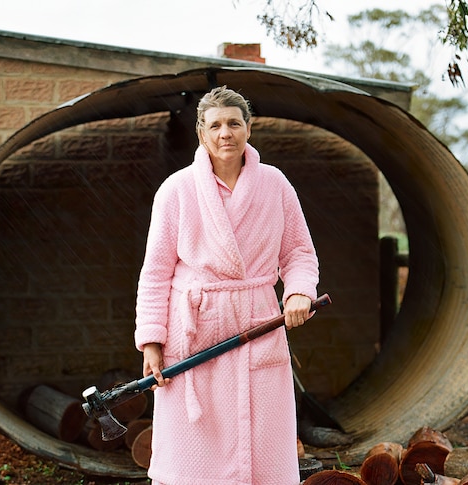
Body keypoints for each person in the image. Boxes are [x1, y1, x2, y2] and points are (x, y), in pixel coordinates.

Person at [133, 85, 319, 485]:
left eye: (234, 123)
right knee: (192, 450)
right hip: (195, 328)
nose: (225, 133)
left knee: (264, 440)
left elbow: (300, 253)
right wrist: (151, 340)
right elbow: (155, 271)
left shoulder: (275, 185)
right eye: (215, 125)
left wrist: (299, 291)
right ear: (201, 133)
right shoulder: (176, 190)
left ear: (248, 128)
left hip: (257, 320)